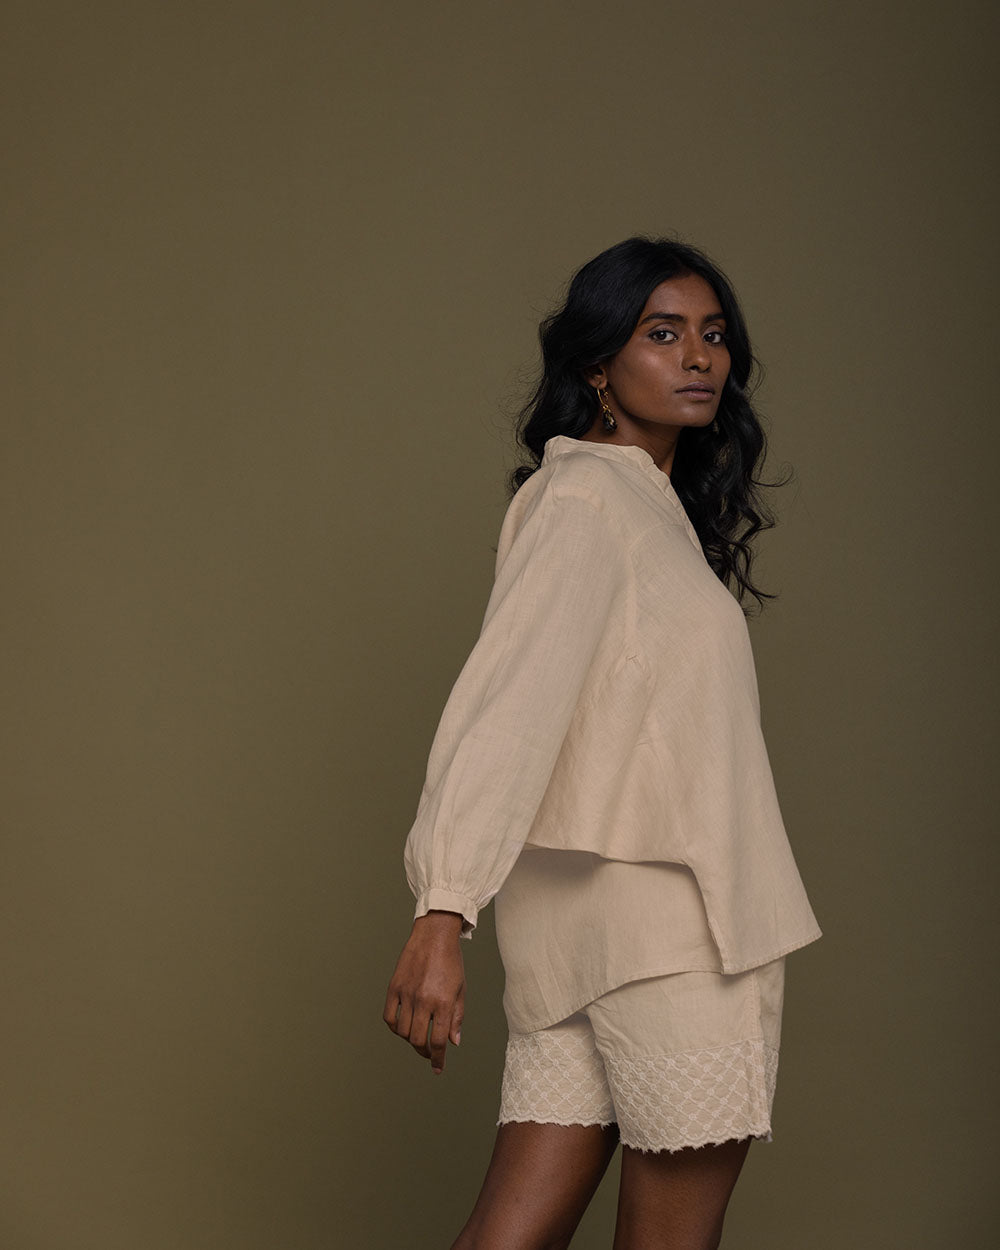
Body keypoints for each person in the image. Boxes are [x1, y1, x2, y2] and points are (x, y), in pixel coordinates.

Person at [382, 236, 822, 1250]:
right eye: (661, 334)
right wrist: (443, 903)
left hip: (585, 938)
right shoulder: (590, 498)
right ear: (596, 364)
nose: (699, 357)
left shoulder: (630, 505)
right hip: (676, 932)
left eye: (712, 334)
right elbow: (510, 702)